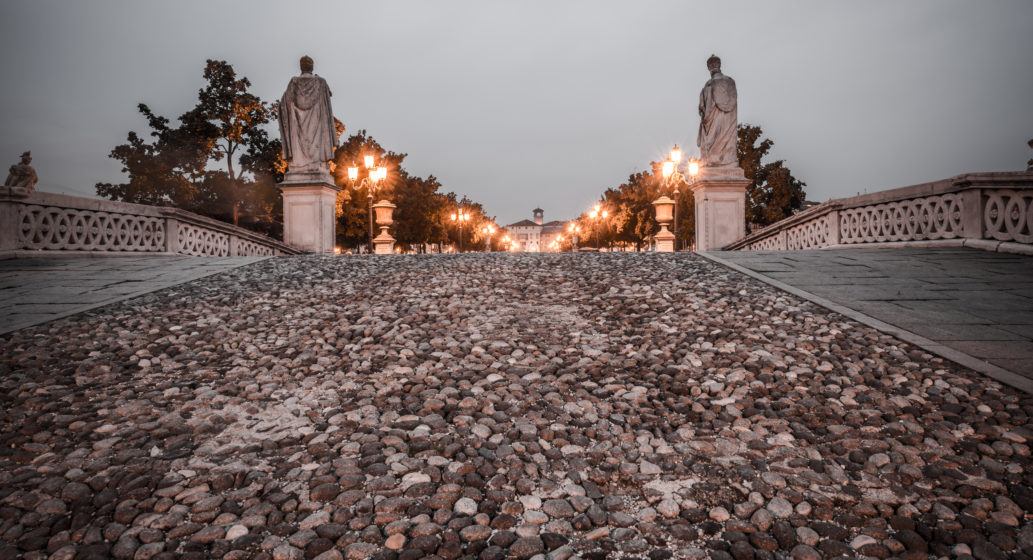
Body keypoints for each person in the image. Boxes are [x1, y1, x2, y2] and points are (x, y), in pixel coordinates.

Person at [279, 56, 338, 179]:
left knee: (298, 141)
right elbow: (328, 102)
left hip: (297, 126)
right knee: (316, 141)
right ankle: (317, 163)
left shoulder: (294, 83)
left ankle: (298, 163)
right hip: (316, 124)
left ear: (301, 67)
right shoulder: (320, 82)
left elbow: (283, 106)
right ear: (312, 66)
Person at [697, 55, 738, 169]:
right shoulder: (730, 82)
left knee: (713, 139)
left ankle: (713, 159)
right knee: (727, 137)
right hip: (729, 123)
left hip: (714, 122)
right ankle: (728, 159)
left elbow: (703, 109)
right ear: (719, 65)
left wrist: (703, 112)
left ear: (709, 68)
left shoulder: (709, 85)